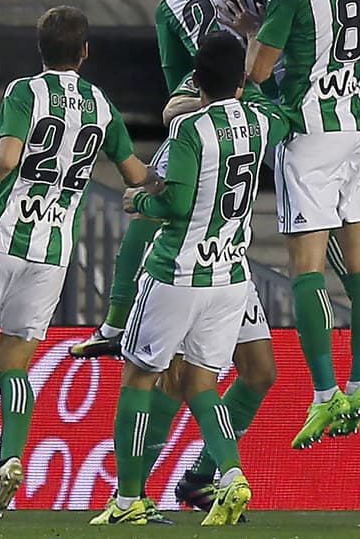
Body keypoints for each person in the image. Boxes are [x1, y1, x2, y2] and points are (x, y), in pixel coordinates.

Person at [0, 6, 150, 524]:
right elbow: (136, 172)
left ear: (40, 47)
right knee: (15, 365)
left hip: (0, 236)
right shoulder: (100, 103)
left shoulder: (25, 91)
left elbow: (7, 157)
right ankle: (9, 459)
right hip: (51, 254)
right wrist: (168, 189)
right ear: (86, 52)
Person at [90, 32, 291, 526]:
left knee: (139, 377)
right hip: (229, 275)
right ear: (242, 80)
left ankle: (128, 501)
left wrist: (141, 201)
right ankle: (230, 473)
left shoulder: (189, 130)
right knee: (201, 382)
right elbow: (283, 114)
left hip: (177, 273)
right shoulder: (262, 122)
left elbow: (174, 204)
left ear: (196, 81)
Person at [70, 0, 282, 359]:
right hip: (280, 101)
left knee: (150, 199)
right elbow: (298, 15)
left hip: (218, 97)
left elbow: (176, 80)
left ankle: (114, 322)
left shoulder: (169, 2)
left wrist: (204, 105)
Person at [241, 0, 360, 448]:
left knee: (307, 268)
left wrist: (255, 30)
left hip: (311, 130)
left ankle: (325, 394)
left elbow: (258, 70)